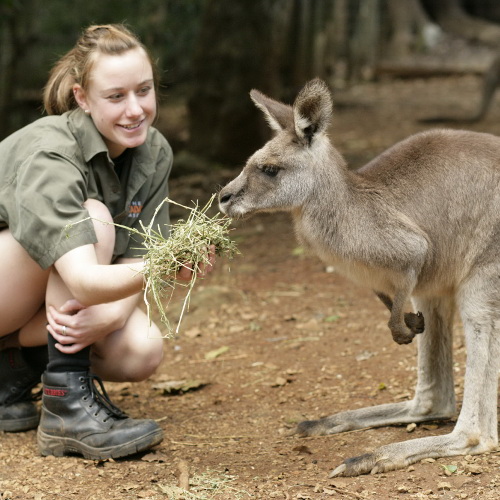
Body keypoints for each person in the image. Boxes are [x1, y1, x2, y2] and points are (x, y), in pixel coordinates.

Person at [0, 24, 214, 459]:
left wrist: (108, 318)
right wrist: (169, 262)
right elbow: (84, 279)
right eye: (116, 96)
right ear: (82, 98)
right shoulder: (51, 152)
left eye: (144, 90)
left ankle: (9, 370)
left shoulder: (152, 150)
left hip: (28, 297)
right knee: (94, 218)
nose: (135, 110)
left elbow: (137, 257)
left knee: (140, 350)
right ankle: (66, 411)